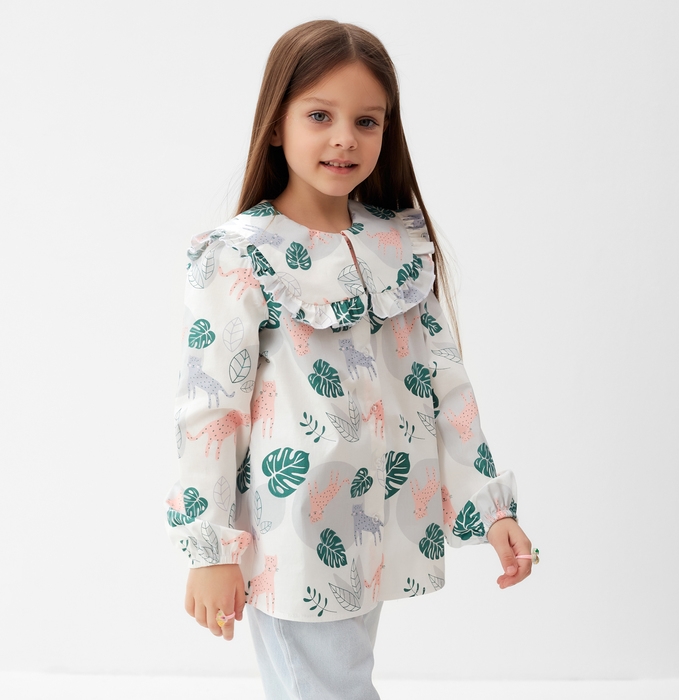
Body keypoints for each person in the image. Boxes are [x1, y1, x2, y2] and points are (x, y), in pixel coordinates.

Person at [165, 19, 534, 700]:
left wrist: (493, 509)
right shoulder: (240, 254)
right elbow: (212, 408)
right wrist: (210, 549)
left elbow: (445, 388)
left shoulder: (399, 246)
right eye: (319, 115)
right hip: (294, 533)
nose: (345, 138)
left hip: (378, 527)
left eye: (367, 121)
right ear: (277, 124)